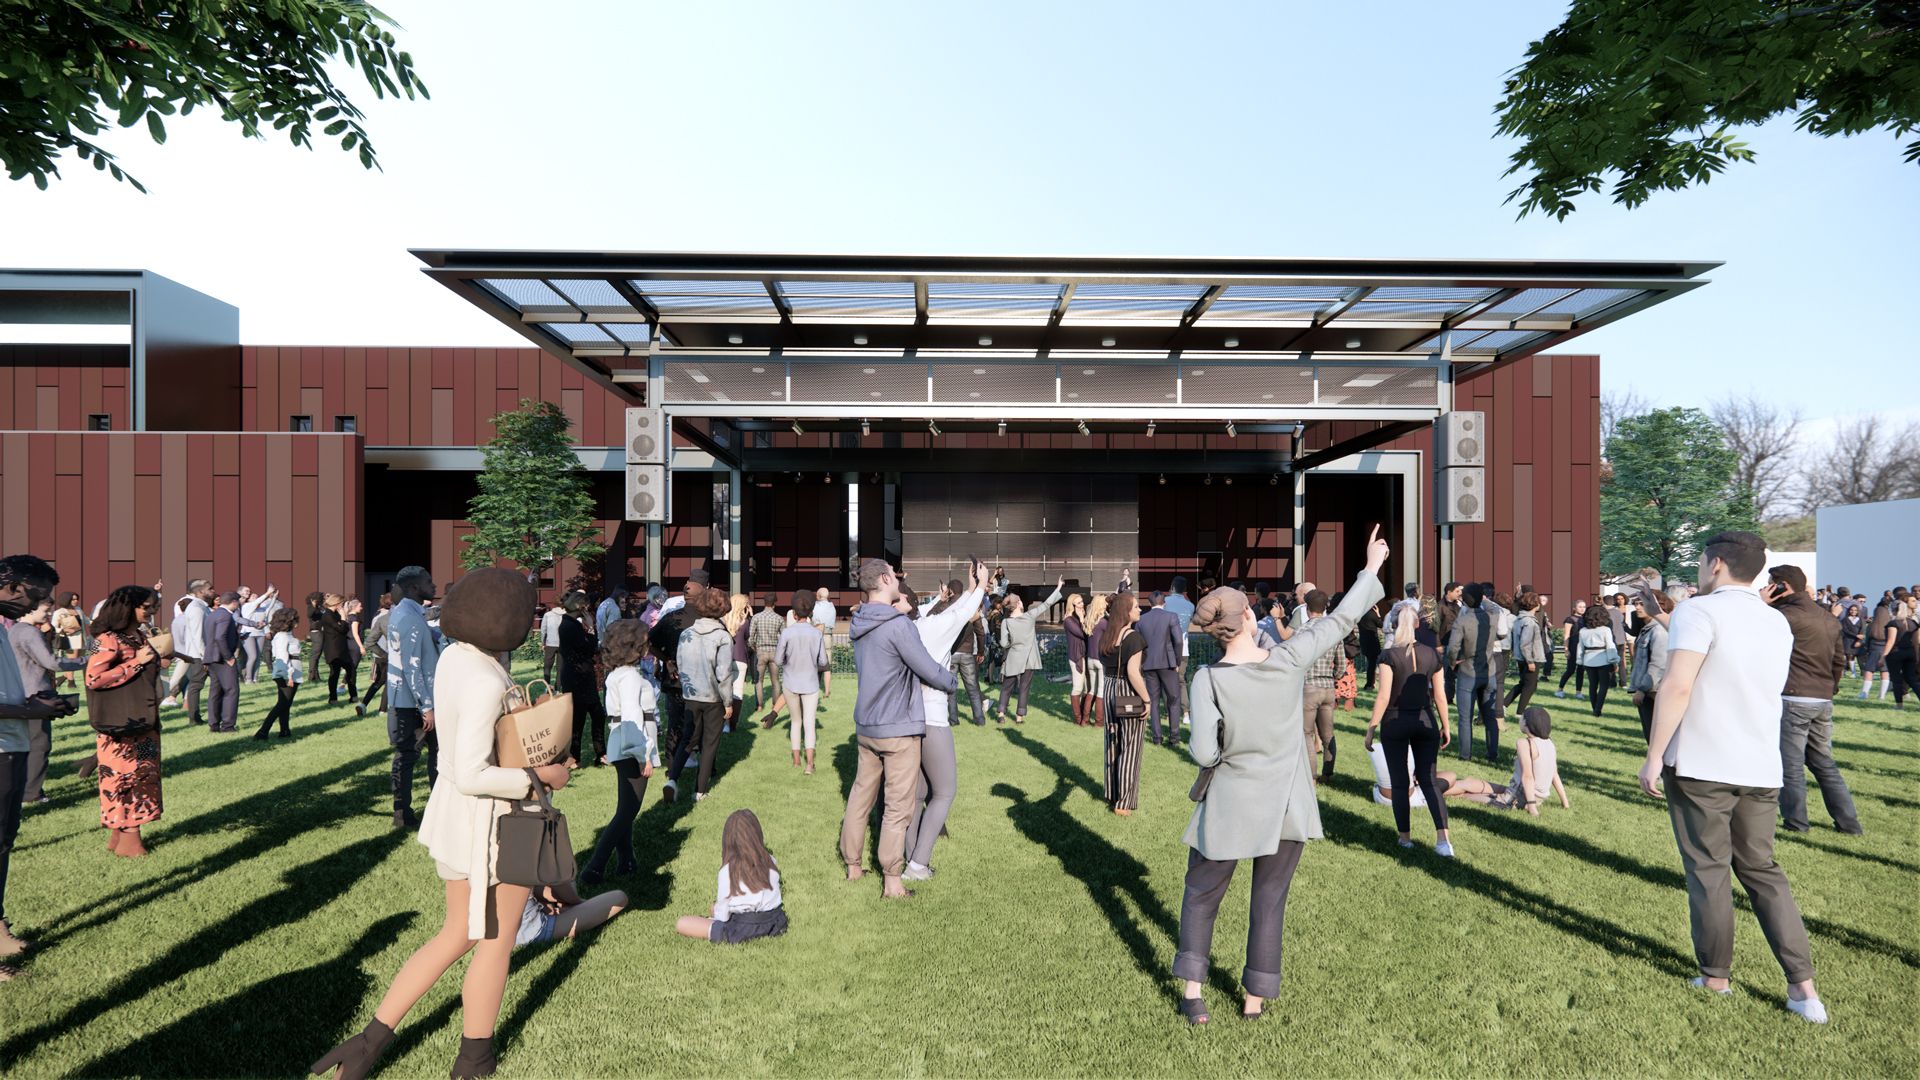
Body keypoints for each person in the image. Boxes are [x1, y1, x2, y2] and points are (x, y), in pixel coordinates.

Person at [311, 568, 574, 1079]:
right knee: (492, 945)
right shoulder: (482, 675)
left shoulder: (457, 657)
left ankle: (367, 1044)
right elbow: (474, 771)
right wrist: (543, 774)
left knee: (455, 935)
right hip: (495, 828)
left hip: (458, 821)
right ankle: (474, 1060)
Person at [1175, 529, 1388, 1024]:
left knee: (1202, 894)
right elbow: (1339, 620)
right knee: (1269, 901)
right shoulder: (1289, 660)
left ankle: (1193, 994)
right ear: (1248, 618)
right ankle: (1254, 1001)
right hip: (1288, 804)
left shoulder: (1207, 679)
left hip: (1229, 803)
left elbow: (1205, 751)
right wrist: (1372, 567)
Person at [1637, 530, 1828, 1024]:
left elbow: (1677, 686)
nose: (1700, 569)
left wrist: (1654, 754)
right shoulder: (1775, 622)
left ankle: (1716, 975)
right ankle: (1803, 988)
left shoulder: (1699, 612)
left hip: (1703, 762)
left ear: (1716, 564)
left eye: (1702, 561)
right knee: (1763, 872)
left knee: (1709, 871)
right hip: (1760, 765)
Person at [839, 558, 956, 899]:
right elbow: (928, 669)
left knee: (860, 797)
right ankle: (892, 880)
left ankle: (853, 866)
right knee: (898, 805)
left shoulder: (859, 621)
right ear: (887, 578)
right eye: (896, 575)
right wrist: (951, 683)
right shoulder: (898, 625)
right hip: (898, 728)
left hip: (866, 725)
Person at [0, 556, 76, 977]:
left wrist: (33, 706)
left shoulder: (6, 627)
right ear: (12, 584)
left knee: (4, 842)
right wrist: (32, 712)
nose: (43, 603)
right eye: (39, 594)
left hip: (12, 746)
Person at [903, 562, 990, 880]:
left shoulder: (910, 625)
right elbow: (957, 614)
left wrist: (970, 589)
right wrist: (979, 586)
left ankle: (909, 855)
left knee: (918, 793)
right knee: (945, 792)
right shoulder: (929, 627)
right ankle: (917, 864)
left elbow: (940, 609)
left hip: (908, 719)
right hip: (933, 717)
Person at [1761, 566, 1861, 835]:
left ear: (1782, 586)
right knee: (1824, 764)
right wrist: (1831, 688)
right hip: (1821, 698)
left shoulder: (1781, 616)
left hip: (1793, 697)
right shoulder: (1828, 618)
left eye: (1772, 583)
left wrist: (1761, 606)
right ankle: (1849, 824)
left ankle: (1796, 823)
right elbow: (1838, 660)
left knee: (1791, 765)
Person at [73, 583, 164, 862]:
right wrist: (135, 664)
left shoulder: (138, 635)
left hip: (144, 723)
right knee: (124, 779)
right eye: (146, 607)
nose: (151, 611)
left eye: (153, 607)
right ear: (127, 606)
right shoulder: (106, 639)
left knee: (145, 774)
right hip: (120, 728)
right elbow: (93, 679)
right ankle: (129, 838)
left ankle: (120, 835)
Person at [1364, 605, 1454, 854]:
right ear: (1417, 625)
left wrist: (1371, 728)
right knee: (1429, 781)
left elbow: (1383, 696)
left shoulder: (1389, 656)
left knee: (1400, 782)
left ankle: (1405, 838)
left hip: (1395, 721)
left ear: (1394, 625)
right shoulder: (1433, 655)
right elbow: (1440, 695)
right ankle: (1443, 840)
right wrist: (1446, 725)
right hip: (1426, 721)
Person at [580, 620, 659, 885]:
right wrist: (642, 753)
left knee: (625, 805)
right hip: (631, 743)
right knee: (628, 809)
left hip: (622, 741)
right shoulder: (631, 677)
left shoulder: (618, 673)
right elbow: (633, 715)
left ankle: (627, 861)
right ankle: (595, 867)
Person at [8, 599, 85, 805]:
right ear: (31, 608)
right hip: (36, 695)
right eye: (46, 610)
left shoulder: (14, 629)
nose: (49, 614)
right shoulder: (29, 632)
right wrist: (86, 661)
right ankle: (32, 793)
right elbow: (51, 662)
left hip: (20, 693)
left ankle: (24, 788)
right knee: (40, 744)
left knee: (24, 744)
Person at [674, 809, 788, 944]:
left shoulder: (729, 870)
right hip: (776, 921)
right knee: (713, 907)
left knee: (682, 923)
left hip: (743, 927)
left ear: (728, 840)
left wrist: (716, 922)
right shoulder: (769, 860)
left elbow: (722, 915)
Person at [384, 566, 442, 831]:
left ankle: (437, 807)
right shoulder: (408, 617)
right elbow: (411, 665)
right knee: (408, 757)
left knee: (437, 756)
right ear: (414, 588)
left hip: (415, 700)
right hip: (413, 704)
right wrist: (427, 707)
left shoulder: (409, 613)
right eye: (429, 582)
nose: (434, 586)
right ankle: (403, 813)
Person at [665, 587, 733, 803]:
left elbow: (681, 664)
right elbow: (724, 673)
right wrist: (728, 702)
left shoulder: (686, 634)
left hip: (690, 695)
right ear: (723, 609)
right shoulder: (723, 637)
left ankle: (672, 780)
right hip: (713, 697)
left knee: (687, 738)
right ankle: (700, 790)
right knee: (710, 743)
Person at [1438, 708, 1568, 813]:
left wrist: (1532, 807)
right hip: (1527, 795)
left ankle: (1426, 794)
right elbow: (1554, 774)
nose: (1520, 720)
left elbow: (1527, 777)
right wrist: (1565, 802)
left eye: (1522, 718)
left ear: (1527, 723)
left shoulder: (1524, 743)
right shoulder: (1550, 743)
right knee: (1469, 782)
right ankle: (1432, 788)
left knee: (1463, 794)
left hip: (1515, 798)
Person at [1100, 592, 1151, 815]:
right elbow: (1133, 673)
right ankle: (1124, 802)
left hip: (1109, 688)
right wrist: (1147, 699)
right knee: (1131, 746)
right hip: (1127, 691)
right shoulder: (1134, 638)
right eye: (1136, 607)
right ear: (1126, 612)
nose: (1139, 610)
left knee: (1112, 743)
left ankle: (1112, 794)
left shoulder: (1107, 636)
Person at [773, 590, 830, 773]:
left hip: (790, 683)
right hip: (811, 684)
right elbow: (822, 662)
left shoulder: (787, 633)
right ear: (810, 613)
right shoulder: (816, 634)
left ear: (794, 613)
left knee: (795, 722)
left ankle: (796, 761)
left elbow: (778, 660)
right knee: (809, 723)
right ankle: (810, 764)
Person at [995, 576, 1063, 724]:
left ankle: (1001, 714)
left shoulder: (1006, 622)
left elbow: (1004, 643)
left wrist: (1012, 644)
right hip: (1029, 658)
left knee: (1007, 686)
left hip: (1013, 657)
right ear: (1019, 603)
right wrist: (1058, 588)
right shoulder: (1030, 616)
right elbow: (1046, 604)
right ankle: (1019, 717)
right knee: (1024, 688)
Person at [1445, 584, 1496, 764]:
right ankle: (1492, 754)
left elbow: (1453, 648)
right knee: (1490, 716)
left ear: (1464, 600)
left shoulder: (1462, 620)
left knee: (1465, 717)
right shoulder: (1493, 617)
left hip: (1467, 671)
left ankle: (1465, 755)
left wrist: (1452, 663)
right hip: (1489, 670)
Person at [556, 592, 608, 768]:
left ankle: (596, 754)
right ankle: (576, 757)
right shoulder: (570, 626)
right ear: (580, 606)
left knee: (594, 714)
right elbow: (590, 648)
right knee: (580, 717)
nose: (588, 610)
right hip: (579, 676)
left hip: (579, 675)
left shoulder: (569, 624)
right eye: (586, 606)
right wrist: (592, 628)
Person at [1135, 591, 1186, 747]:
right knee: (1174, 699)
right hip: (1168, 663)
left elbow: (1138, 644)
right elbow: (1178, 641)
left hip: (1149, 664)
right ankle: (1174, 737)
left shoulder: (1141, 620)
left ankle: (1157, 738)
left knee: (1153, 701)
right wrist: (1177, 661)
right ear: (1164, 602)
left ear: (1150, 603)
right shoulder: (1171, 616)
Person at [514, 880, 627, 950]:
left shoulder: (498, 848)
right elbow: (560, 881)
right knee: (619, 897)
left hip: (502, 932)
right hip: (529, 931)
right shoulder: (526, 847)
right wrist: (580, 904)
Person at [1628, 593, 1674, 741]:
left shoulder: (1659, 630)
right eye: (1636, 604)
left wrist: (1642, 689)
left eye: (1641, 604)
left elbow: (1658, 663)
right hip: (1649, 691)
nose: (1637, 607)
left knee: (1656, 739)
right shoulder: (1648, 628)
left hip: (1654, 692)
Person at [165, 579, 213, 722]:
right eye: (210, 588)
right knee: (195, 684)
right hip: (200, 655)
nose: (213, 591)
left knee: (196, 683)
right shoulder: (196, 608)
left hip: (200, 653)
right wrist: (205, 656)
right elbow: (198, 635)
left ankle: (205, 716)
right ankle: (194, 717)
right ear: (200, 592)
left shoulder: (201, 607)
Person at [255, 608, 305, 739]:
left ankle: (284, 730)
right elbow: (282, 657)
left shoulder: (287, 634)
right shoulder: (282, 636)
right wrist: (289, 675)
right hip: (287, 672)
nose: (297, 621)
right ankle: (263, 731)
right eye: (294, 619)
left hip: (292, 671)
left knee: (285, 703)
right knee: (282, 704)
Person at [948, 584, 991, 727]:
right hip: (967, 653)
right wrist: (980, 652)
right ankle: (979, 719)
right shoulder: (971, 610)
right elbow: (980, 633)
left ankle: (953, 720)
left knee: (951, 690)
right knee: (972, 688)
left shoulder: (949, 608)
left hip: (952, 653)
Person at [202, 591, 243, 734]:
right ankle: (228, 726)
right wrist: (229, 657)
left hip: (211, 658)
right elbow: (220, 637)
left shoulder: (212, 614)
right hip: (222, 658)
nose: (239, 605)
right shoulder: (225, 616)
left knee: (215, 692)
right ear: (234, 602)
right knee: (231, 691)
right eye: (238, 602)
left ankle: (213, 724)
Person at [1504, 591, 1548, 715]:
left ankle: (1504, 704)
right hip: (1530, 658)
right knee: (1530, 686)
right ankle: (1520, 712)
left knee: (1524, 683)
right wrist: (1530, 661)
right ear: (1535, 605)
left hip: (1521, 656)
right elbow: (1525, 643)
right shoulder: (1529, 621)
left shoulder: (1519, 618)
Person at [748, 594, 786, 725]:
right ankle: (775, 705)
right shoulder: (779, 618)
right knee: (775, 681)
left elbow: (751, 637)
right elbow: (784, 637)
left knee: (759, 680)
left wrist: (754, 648)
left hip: (761, 651)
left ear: (764, 602)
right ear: (775, 603)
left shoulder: (757, 617)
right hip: (775, 652)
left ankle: (759, 706)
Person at [1063, 591, 1098, 727]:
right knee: (1078, 687)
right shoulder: (1068, 620)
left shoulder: (1079, 617)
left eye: (1082, 602)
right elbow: (1083, 634)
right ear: (1072, 605)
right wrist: (1082, 619)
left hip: (1085, 655)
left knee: (1086, 688)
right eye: (1078, 603)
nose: (1082, 604)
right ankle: (1078, 719)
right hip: (1076, 656)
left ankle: (1084, 715)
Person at [1575, 605, 1618, 717]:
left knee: (1592, 686)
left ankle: (1595, 708)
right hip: (1603, 660)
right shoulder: (1605, 630)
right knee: (1603, 686)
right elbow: (1610, 645)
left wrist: (1579, 660)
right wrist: (1614, 660)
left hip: (1588, 660)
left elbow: (1580, 647)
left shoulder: (1583, 631)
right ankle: (1598, 709)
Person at [237, 585, 282, 685]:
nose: (255, 598)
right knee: (252, 656)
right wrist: (267, 592)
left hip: (260, 634)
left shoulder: (261, 608)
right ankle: (248, 679)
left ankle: (255, 678)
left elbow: (269, 607)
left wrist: (273, 596)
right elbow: (256, 602)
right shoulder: (246, 606)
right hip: (249, 634)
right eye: (253, 596)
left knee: (258, 657)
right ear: (249, 599)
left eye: (256, 597)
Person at [1881, 596, 1919, 709]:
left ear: (1893, 610)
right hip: (1910, 653)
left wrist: (1882, 657)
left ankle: (1899, 704)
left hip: (1895, 654)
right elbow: (1916, 642)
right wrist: (1917, 655)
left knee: (1896, 679)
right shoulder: (1913, 623)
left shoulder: (1893, 623)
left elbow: (1891, 641)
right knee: (1912, 679)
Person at [360, 593, 392, 715]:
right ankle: (383, 710)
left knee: (378, 682)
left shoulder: (376, 617)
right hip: (387, 653)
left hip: (378, 654)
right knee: (388, 682)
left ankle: (363, 704)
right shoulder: (390, 617)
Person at [1556, 598, 1589, 698]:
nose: (1582, 609)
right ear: (1574, 608)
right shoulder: (1570, 619)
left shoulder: (1586, 619)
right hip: (1573, 646)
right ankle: (1560, 689)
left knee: (1581, 670)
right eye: (1580, 607)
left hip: (1583, 647)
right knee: (1570, 670)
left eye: (1584, 607)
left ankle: (1578, 692)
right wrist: (1566, 649)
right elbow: (1566, 635)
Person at [809, 586, 836, 706]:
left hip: (816, 634)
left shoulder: (815, 606)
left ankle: (813, 688)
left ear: (819, 596)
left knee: (814, 662)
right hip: (828, 635)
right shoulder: (832, 607)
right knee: (827, 666)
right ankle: (827, 691)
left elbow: (812, 619)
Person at [539, 597, 566, 684]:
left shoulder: (548, 615)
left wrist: (543, 642)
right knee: (560, 668)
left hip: (550, 643)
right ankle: (558, 687)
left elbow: (543, 630)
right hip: (562, 644)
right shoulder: (566, 615)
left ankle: (547, 686)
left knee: (547, 666)